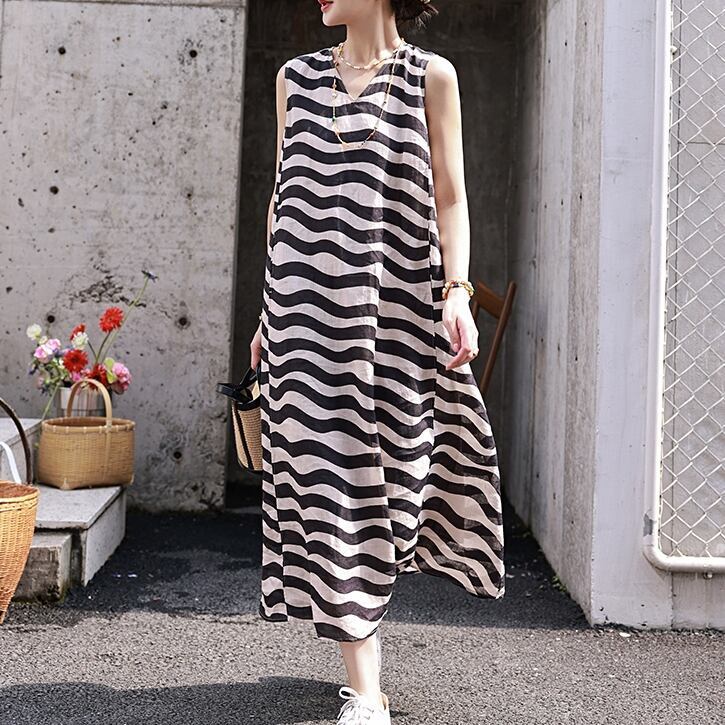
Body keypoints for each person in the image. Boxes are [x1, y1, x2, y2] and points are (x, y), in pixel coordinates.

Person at [249, 1, 505, 722]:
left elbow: (449, 197)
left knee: (399, 479)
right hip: (303, 323)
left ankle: (366, 622)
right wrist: (266, 311)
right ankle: (366, 692)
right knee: (332, 485)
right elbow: (282, 201)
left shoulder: (430, 77)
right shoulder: (295, 78)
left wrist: (457, 292)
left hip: (394, 320)